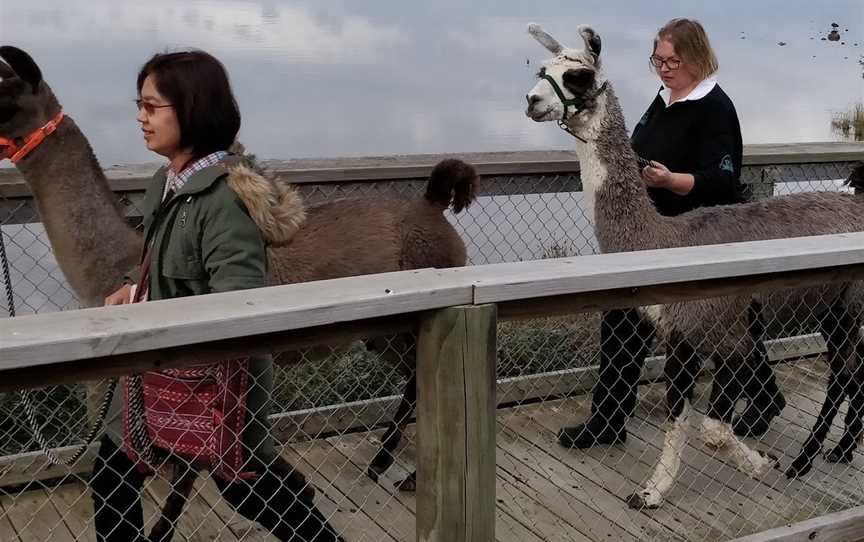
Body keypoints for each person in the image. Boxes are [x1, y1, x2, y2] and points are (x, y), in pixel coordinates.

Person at [94, 50, 342, 542]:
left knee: (245, 486)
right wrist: (136, 289)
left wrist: (163, 312)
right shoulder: (166, 184)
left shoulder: (223, 199)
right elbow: (171, 264)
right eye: (138, 104)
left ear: (191, 108)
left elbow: (238, 302)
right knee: (114, 471)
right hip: (162, 372)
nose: (139, 117)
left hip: (216, 382)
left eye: (151, 106)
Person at [558, 18, 786, 449]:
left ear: (696, 58)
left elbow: (722, 180)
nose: (663, 69)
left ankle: (765, 394)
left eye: (672, 61)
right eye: (657, 60)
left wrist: (670, 180)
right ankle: (608, 419)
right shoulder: (662, 98)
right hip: (647, 231)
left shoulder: (716, 108)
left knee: (722, 329)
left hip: (698, 236)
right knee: (622, 316)